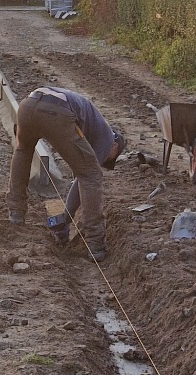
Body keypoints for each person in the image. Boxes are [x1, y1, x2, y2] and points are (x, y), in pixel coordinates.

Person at [7, 85, 124, 258]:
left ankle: (16, 213)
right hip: (56, 112)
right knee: (92, 174)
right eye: (112, 157)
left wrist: (64, 218)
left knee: (23, 151)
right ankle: (95, 243)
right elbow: (86, 178)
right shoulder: (107, 139)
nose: (106, 160)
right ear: (115, 146)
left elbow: (78, 177)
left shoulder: (92, 123)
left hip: (28, 105)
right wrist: (66, 219)